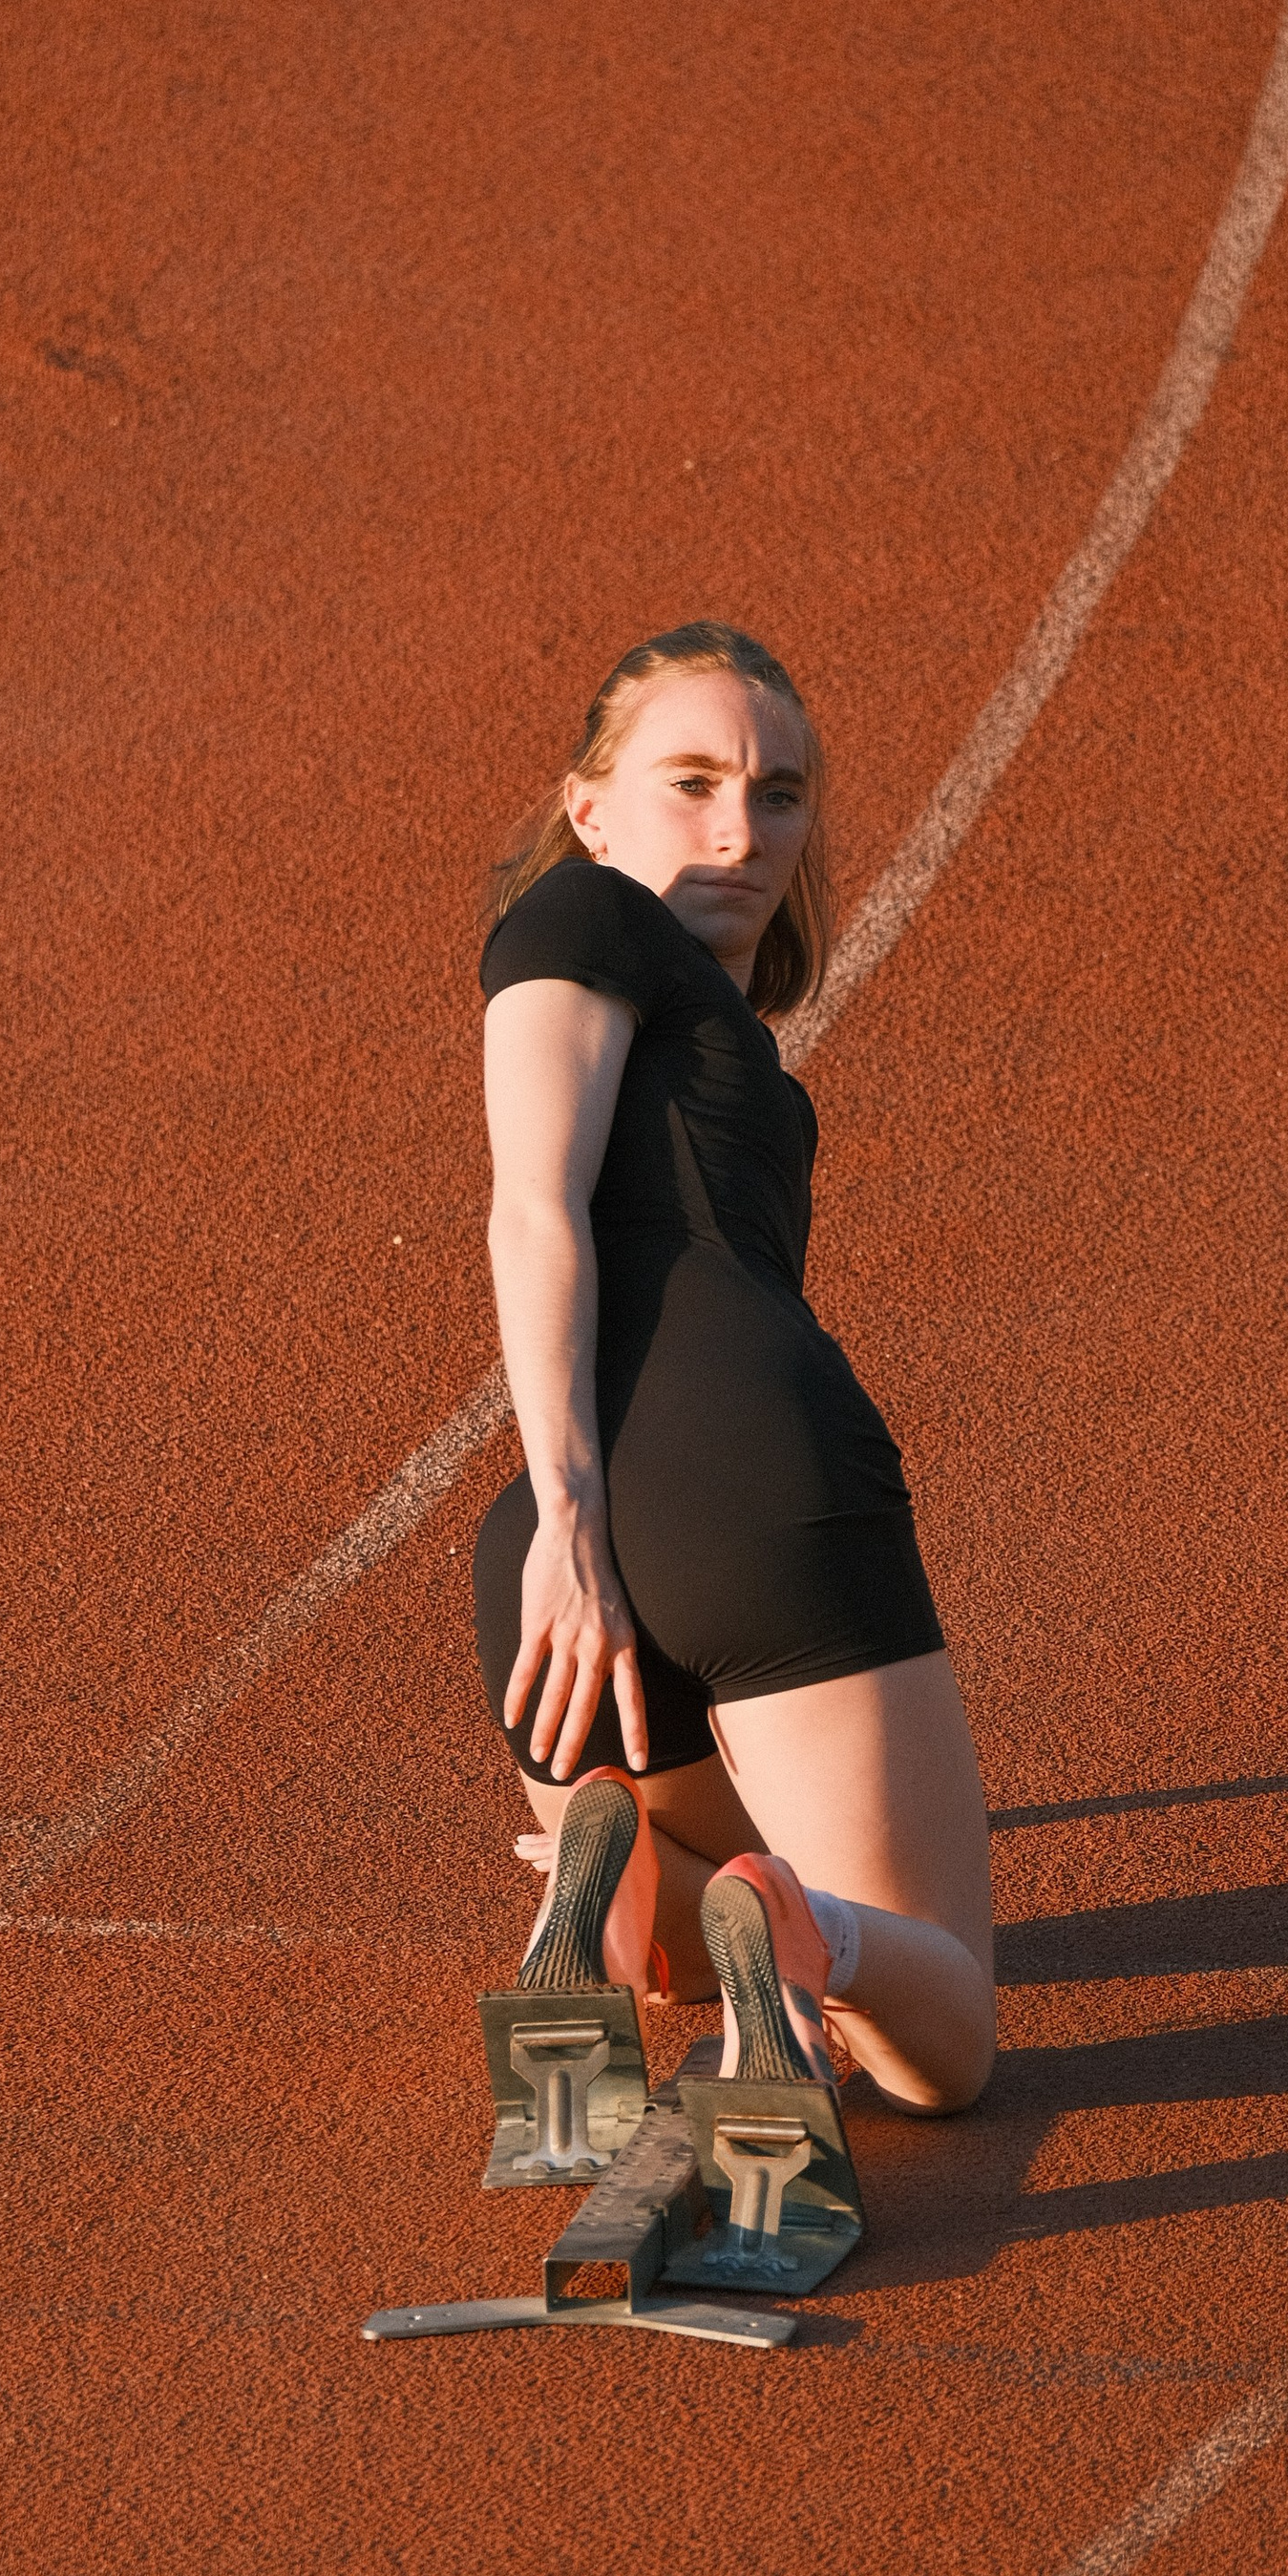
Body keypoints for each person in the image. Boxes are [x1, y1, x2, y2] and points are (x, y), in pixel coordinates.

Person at [471, 621, 995, 2118]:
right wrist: (578, 1531)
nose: (738, 829)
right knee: (944, 2044)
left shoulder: (725, 1047)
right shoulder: (579, 918)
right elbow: (531, 1207)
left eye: (778, 794)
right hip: (736, 1493)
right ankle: (805, 1931)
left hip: (552, 1539)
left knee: (702, 1933)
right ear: (588, 810)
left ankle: (622, 1863)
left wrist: (561, 1533)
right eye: (690, 780)